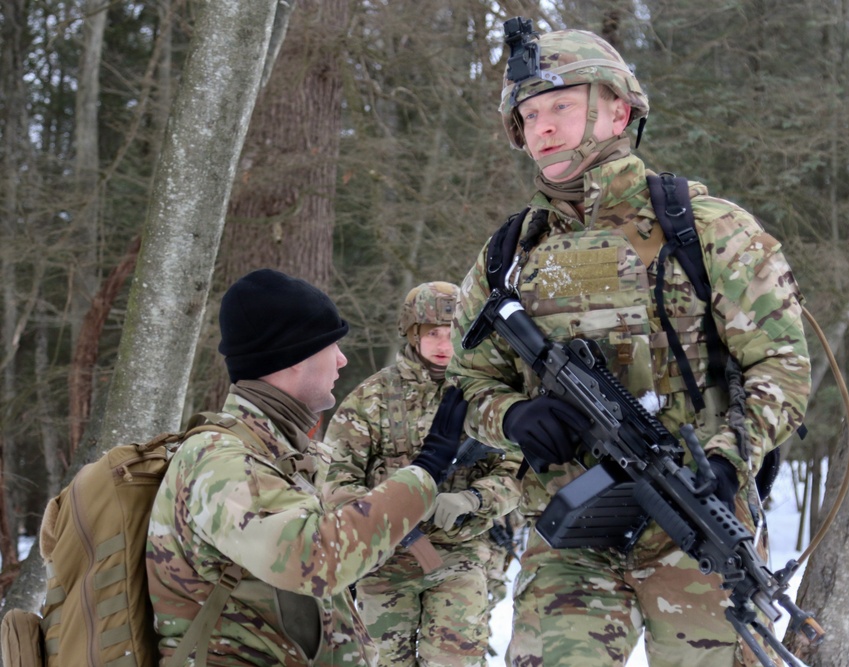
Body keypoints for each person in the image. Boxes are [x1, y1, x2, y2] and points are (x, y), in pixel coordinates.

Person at [448, 20, 811, 667]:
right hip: (569, 543)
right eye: (529, 116)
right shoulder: (509, 255)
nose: (543, 128)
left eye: (559, 105)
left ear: (619, 111)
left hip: (694, 529)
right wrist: (512, 416)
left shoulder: (708, 230)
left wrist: (727, 461)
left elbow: (781, 370)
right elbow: (464, 384)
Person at [146, 268, 468, 666]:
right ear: (294, 357)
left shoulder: (280, 452)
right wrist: (426, 470)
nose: (342, 359)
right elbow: (314, 557)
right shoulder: (221, 462)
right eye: (332, 346)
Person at [323, 281, 522, 667]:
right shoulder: (372, 397)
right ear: (412, 332)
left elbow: (515, 471)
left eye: (453, 333)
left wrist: (473, 498)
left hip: (460, 555)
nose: (444, 343)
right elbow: (334, 481)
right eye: (433, 333)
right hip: (383, 561)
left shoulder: (485, 396)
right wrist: (391, 515)